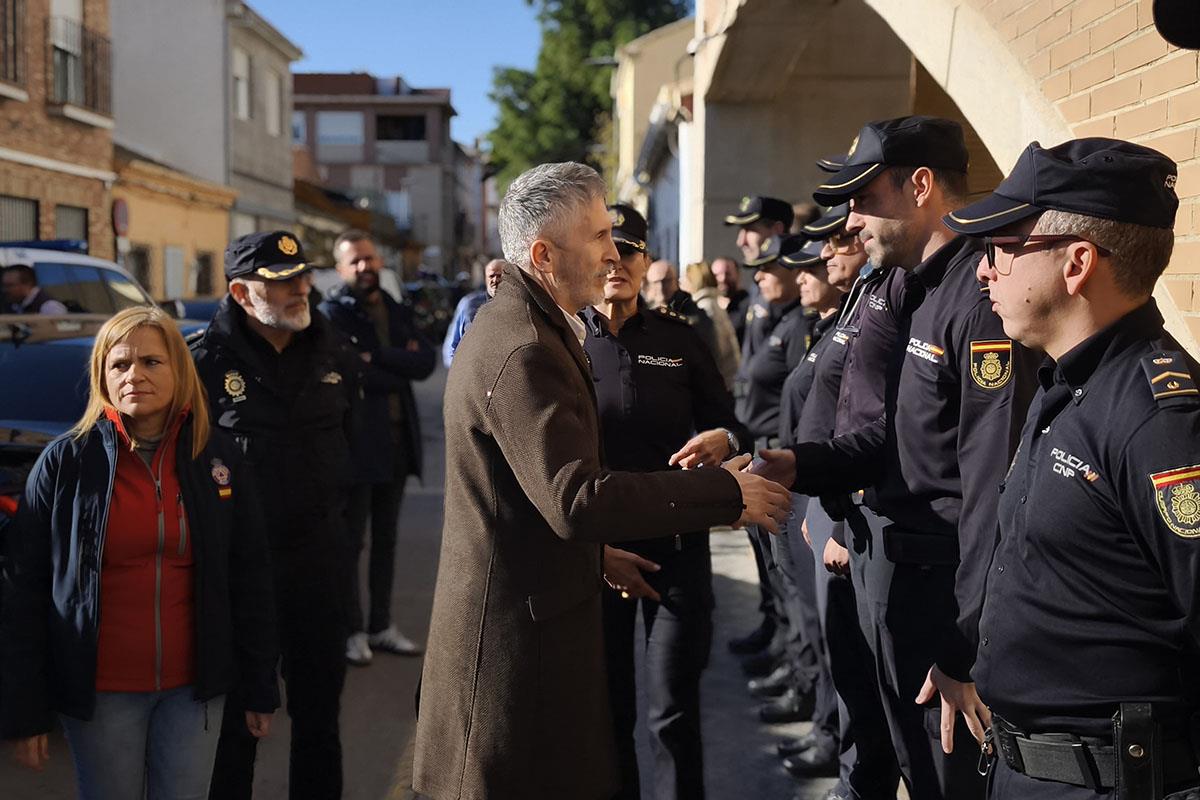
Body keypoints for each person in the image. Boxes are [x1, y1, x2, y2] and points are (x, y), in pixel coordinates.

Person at [412, 162, 791, 800]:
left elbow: (528, 501)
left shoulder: (535, 328)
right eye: (596, 236)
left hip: (548, 621)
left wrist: (593, 555)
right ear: (543, 254)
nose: (613, 252)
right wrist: (726, 494)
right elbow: (575, 498)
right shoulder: (524, 345)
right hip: (513, 661)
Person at [754, 116, 1038, 800]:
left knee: (947, 783)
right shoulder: (906, 286)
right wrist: (800, 466)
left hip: (940, 590)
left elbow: (990, 484)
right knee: (909, 766)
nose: (852, 219)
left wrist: (964, 644)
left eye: (863, 197)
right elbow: (896, 436)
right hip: (892, 570)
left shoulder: (976, 296)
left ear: (919, 186)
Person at [943, 138, 1200, 799]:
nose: (983, 270)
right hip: (1021, 765)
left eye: (1002, 247)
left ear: (1078, 262)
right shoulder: (1065, 385)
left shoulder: (1158, 419)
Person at [1, 306, 279, 799]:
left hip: (194, 690)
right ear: (102, 376)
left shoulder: (216, 457)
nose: (135, 375)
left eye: (151, 362)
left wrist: (260, 684)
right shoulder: (64, 463)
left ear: (178, 369)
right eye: (120, 364)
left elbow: (250, 577)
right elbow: (24, 594)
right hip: (101, 692)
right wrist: (25, 709)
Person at [583, 204, 752, 800]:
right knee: (606, 717)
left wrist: (725, 440)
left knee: (672, 713)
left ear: (646, 261)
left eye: (628, 252)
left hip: (677, 547)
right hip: (593, 554)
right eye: (604, 253)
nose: (615, 265)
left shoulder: (680, 341)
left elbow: (734, 427)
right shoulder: (563, 343)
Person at [191, 231, 357, 800]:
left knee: (319, 722)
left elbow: (353, 455)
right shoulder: (202, 367)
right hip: (240, 578)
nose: (299, 290)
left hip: (319, 567)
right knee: (238, 727)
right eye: (281, 282)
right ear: (241, 293)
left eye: (301, 277)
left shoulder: (334, 351)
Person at [779, 203, 901, 800]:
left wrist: (839, 513)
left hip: (847, 504)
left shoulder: (879, 302)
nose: (827, 251)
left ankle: (860, 780)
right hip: (826, 497)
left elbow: (874, 419)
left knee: (860, 670)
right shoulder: (854, 304)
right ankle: (855, 775)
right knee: (842, 656)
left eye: (840, 239)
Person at [319, 229, 436, 667]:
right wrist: (389, 362)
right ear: (340, 269)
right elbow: (348, 369)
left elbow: (424, 362)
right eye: (355, 262)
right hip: (356, 445)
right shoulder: (332, 313)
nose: (365, 267)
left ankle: (381, 625)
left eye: (370, 259)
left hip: (397, 442)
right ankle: (351, 630)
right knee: (352, 542)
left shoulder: (393, 308)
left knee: (387, 540)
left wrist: (378, 359)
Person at [734, 233, 819, 722]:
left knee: (795, 588)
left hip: (789, 468)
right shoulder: (767, 316)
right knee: (776, 579)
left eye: (771, 267)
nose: (759, 274)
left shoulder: (801, 327)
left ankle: (803, 681)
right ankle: (792, 665)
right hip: (761, 460)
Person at [721, 195, 795, 661]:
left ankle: (794, 659)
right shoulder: (758, 301)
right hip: (755, 451)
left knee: (787, 569)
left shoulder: (793, 307)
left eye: (752, 229)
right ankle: (775, 635)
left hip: (782, 454)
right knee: (767, 565)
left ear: (778, 230)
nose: (742, 240)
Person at [681, 260, 741, 389]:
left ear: (693, 281)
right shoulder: (713, 303)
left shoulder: (705, 308)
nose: (681, 284)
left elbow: (715, 350)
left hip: (722, 383)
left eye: (684, 279)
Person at [642, 258, 719, 358]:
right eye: (656, 282)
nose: (661, 287)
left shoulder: (691, 311)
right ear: (649, 284)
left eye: (666, 281)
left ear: (676, 282)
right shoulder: (647, 311)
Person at [442, 258, 505, 367]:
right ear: (485, 279)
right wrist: (460, 371)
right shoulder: (469, 304)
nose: (495, 280)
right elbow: (451, 346)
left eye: (499, 275)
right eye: (491, 276)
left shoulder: (520, 304)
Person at [712, 256, 751, 345]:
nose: (722, 278)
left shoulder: (749, 305)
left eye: (728, 274)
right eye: (716, 275)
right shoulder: (708, 306)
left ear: (738, 275)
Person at [1, 264, 68, 314]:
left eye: (10, 285)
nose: (5, 289)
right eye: (4, 285)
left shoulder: (49, 307)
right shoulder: (14, 304)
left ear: (27, 284)